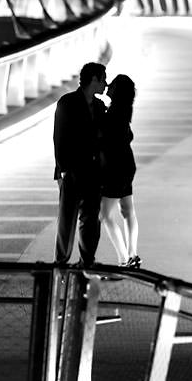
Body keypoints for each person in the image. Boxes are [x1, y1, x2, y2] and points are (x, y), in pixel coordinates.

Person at [53, 62, 108, 267]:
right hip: (73, 171)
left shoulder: (100, 106)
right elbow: (59, 138)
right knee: (67, 219)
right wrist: (62, 171)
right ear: (93, 79)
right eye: (103, 79)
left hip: (93, 172)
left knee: (91, 219)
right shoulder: (67, 103)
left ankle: (87, 261)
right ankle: (61, 263)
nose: (105, 84)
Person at [98, 74, 141, 268]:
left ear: (117, 90)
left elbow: (105, 141)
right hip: (127, 165)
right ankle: (132, 254)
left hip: (115, 168)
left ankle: (123, 259)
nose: (109, 85)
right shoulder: (124, 111)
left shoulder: (112, 113)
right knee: (127, 211)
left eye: (112, 84)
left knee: (105, 215)